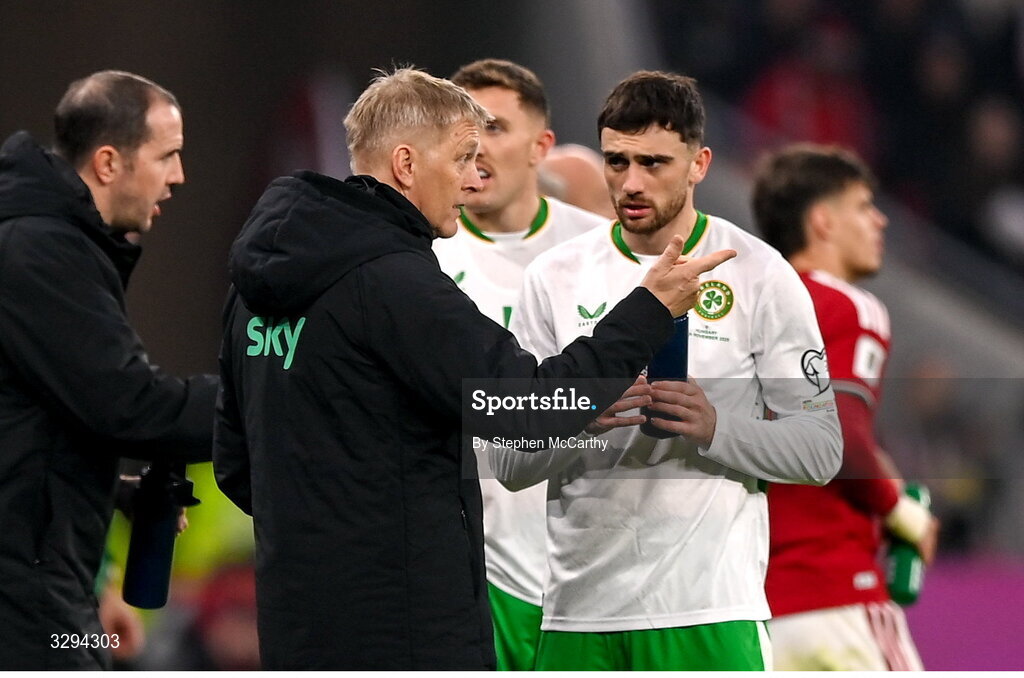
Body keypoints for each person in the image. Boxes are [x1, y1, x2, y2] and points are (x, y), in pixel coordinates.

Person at [212, 67, 735, 671]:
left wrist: (323, 530)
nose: (470, 179)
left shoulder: (250, 291)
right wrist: (649, 312)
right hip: (404, 626)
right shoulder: (394, 282)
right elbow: (530, 407)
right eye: (462, 157)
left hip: (295, 623)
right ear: (406, 165)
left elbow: (235, 463)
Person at [489, 71, 843, 671]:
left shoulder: (760, 274)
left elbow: (820, 450)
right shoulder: (553, 278)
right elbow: (509, 462)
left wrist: (715, 429)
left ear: (699, 163)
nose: (630, 183)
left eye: (653, 163)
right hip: (579, 615)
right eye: (617, 161)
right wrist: (577, 411)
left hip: (709, 613)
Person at [0, 70, 218, 670]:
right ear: (107, 163)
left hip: (59, 590)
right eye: (167, 156)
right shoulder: (40, 252)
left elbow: (32, 420)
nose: (179, 176)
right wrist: (260, 398)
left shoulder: (53, 243)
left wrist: (105, 494)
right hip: (30, 605)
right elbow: (129, 405)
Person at [432, 58, 610, 671]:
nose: (476, 151)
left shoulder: (605, 254)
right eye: (463, 133)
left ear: (541, 147)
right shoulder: (418, 263)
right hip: (480, 572)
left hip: (602, 573)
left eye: (496, 129)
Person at [753, 144, 939, 671]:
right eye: (863, 205)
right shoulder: (849, 306)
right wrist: (899, 510)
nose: (879, 220)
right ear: (823, 221)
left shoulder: (744, 306)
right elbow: (838, 430)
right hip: (836, 589)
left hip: (755, 605)